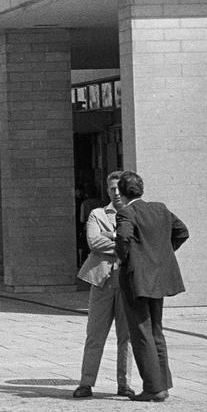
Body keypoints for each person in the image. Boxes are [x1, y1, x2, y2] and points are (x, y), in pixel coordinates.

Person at [114, 171, 189, 402]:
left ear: (123, 193)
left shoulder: (126, 212)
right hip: (158, 277)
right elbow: (182, 231)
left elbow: (124, 237)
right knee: (156, 330)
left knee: (141, 331)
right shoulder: (160, 209)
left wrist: (123, 258)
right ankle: (163, 384)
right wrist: (160, 256)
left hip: (136, 279)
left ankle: (153, 388)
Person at [72, 171, 135, 399]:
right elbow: (94, 241)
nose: (115, 193)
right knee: (95, 334)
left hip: (128, 281)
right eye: (111, 189)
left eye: (119, 188)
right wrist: (123, 243)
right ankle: (86, 382)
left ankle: (124, 384)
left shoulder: (135, 213)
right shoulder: (97, 214)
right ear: (106, 190)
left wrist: (112, 236)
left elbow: (138, 242)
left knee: (125, 335)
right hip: (102, 281)